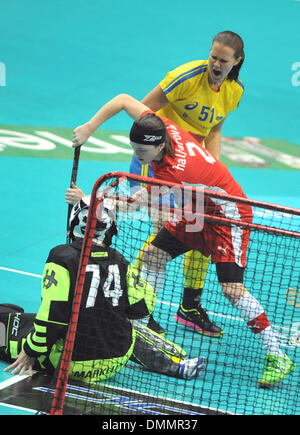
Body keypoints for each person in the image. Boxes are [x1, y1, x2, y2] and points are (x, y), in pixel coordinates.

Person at [70, 93, 295, 388]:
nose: (137, 156)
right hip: (197, 205)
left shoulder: (177, 172)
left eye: (142, 151)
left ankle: (277, 356)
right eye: (134, 148)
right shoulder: (160, 126)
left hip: (228, 215)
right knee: (153, 256)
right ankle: (142, 326)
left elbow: (137, 205)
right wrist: (90, 126)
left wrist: (88, 198)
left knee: (231, 288)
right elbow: (125, 100)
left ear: (160, 145)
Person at [66, 30, 245, 338]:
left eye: (222, 60)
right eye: (213, 56)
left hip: (192, 171)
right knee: (162, 231)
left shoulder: (233, 92)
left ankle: (189, 305)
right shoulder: (186, 77)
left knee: (201, 226)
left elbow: (214, 131)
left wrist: (215, 170)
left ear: (236, 63)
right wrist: (139, 173)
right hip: (158, 162)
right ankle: (134, 307)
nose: (215, 63)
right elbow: (143, 117)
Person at [2, 196, 206, 382]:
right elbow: (142, 309)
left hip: (70, 363)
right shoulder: (120, 260)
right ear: (111, 227)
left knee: (7, 322)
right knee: (121, 327)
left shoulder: (61, 257)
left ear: (75, 222)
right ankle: (176, 364)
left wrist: (30, 351)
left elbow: (53, 318)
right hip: (114, 362)